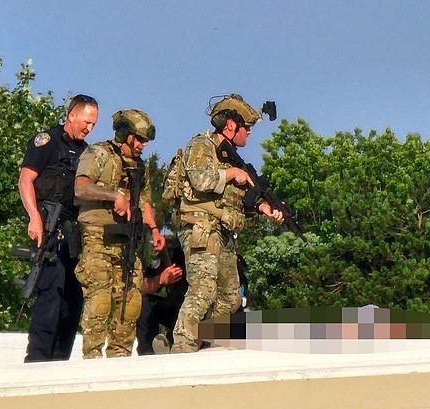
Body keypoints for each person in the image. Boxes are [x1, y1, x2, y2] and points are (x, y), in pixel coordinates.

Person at [169, 94, 283, 353]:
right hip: (200, 226)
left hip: (222, 230)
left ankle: (209, 344)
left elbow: (235, 201)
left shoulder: (231, 156)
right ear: (230, 126)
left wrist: (263, 207)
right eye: (248, 128)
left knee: (231, 295)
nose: (250, 134)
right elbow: (201, 181)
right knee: (203, 288)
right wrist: (233, 173)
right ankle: (181, 348)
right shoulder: (202, 145)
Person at [74, 109, 165, 358]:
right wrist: (114, 196)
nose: (143, 145)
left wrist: (155, 231)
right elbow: (81, 188)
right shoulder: (99, 153)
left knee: (130, 303)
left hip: (128, 240)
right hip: (98, 236)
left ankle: (120, 362)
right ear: (125, 134)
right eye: (140, 139)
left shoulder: (140, 167)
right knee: (100, 301)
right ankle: (91, 359)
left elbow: (145, 203)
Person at [18, 94, 99, 362]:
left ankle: (59, 361)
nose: (89, 128)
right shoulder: (47, 141)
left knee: (73, 301)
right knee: (50, 295)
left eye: (93, 124)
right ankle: (37, 359)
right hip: (49, 229)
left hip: (76, 233)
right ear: (72, 115)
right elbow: (26, 180)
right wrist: (34, 218)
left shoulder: (88, 153)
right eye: (86, 121)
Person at [136, 242, 187, 355]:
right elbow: (141, 287)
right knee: (145, 302)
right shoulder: (172, 254)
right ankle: (147, 351)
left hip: (197, 313)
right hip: (175, 308)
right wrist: (160, 280)